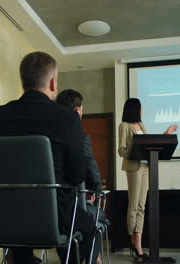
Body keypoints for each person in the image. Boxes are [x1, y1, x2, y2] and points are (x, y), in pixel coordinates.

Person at [0, 51, 99, 264]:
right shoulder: (68, 119)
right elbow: (76, 175)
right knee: (90, 228)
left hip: (2, 218)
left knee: (18, 218)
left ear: (23, 80)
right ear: (53, 82)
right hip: (53, 218)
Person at [118, 98, 177, 260]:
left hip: (146, 167)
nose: (142, 111)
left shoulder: (141, 126)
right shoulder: (124, 126)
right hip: (134, 167)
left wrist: (166, 134)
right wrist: (134, 147)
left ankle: (138, 240)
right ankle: (133, 238)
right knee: (134, 204)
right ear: (134, 109)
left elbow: (149, 142)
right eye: (141, 108)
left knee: (142, 206)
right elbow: (121, 150)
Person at [56, 89, 105, 264]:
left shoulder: (48, 138)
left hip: (37, 214)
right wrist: (97, 190)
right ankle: (92, 260)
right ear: (77, 111)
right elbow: (90, 170)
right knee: (97, 220)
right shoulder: (79, 138)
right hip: (68, 208)